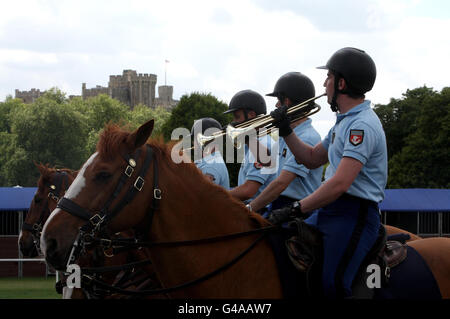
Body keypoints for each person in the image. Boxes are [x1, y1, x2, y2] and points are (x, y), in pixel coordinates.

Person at [270, 47, 387, 298]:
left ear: (342, 83)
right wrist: (286, 130)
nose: (325, 84)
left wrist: (295, 208)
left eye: (329, 77)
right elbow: (312, 159)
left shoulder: (362, 125)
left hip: (354, 214)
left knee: (332, 284)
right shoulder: (343, 122)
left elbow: (339, 184)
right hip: (330, 210)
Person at [247, 72, 323, 213]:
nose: (276, 104)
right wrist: (249, 139)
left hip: (296, 209)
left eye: (278, 100)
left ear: (286, 101)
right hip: (279, 203)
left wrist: (249, 209)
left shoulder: (307, 137)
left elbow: (281, 184)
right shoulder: (285, 136)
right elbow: (266, 162)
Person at [226, 90, 277, 209]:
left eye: (237, 117)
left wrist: (215, 195)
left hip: (258, 211)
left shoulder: (264, 144)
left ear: (252, 115)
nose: (234, 122)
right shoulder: (253, 143)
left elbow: (248, 191)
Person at [191, 117, 230, 190]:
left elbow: (201, 196)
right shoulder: (208, 161)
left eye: (196, 139)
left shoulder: (210, 166)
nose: (193, 143)